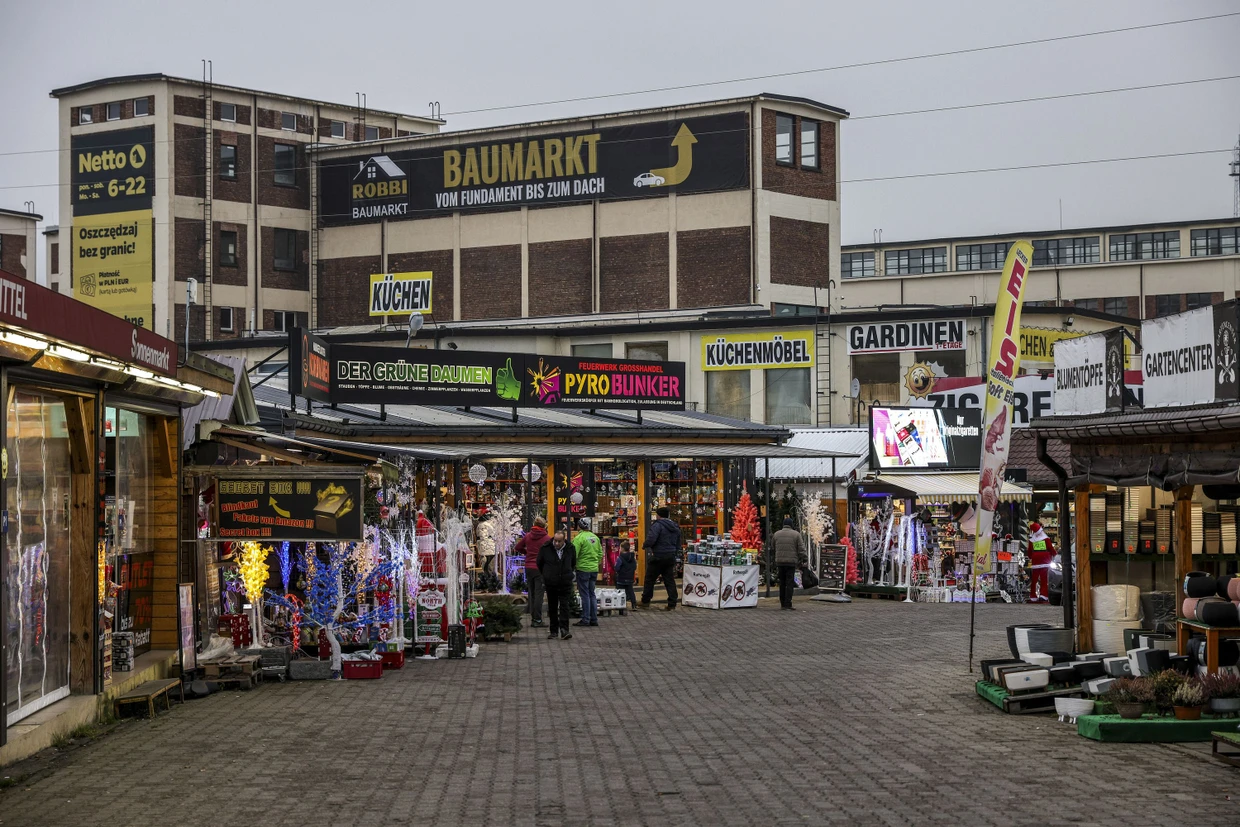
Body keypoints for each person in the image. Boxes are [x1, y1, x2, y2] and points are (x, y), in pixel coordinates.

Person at [536, 530, 576, 640]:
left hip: (565, 582)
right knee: (552, 606)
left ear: (564, 540)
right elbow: (539, 562)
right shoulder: (546, 548)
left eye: (559, 541)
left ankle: (564, 630)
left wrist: (568, 573)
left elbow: (573, 562)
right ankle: (553, 631)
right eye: (555, 541)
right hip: (551, 582)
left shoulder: (570, 548)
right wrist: (546, 575)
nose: (557, 543)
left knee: (564, 606)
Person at [640, 506, 681, 610]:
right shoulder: (675, 526)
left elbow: (651, 538)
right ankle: (672, 602)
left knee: (650, 578)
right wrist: (675, 552)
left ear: (658, 515)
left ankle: (645, 600)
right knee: (669, 579)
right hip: (670, 555)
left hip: (658, 555)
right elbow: (678, 542)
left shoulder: (657, 525)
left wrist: (645, 545)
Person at [515, 516, 549, 626]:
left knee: (531, 592)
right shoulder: (547, 538)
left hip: (529, 567)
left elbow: (518, 547)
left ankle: (533, 617)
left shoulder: (528, 536)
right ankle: (537, 619)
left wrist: (527, 553)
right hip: (540, 568)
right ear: (544, 526)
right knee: (539, 594)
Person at [771, 517, 807, 610]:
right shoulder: (796, 534)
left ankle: (782, 603)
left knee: (782, 583)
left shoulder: (776, 534)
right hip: (791, 562)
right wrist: (804, 558)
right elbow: (801, 549)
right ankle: (788, 603)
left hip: (780, 562)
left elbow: (773, 547)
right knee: (789, 583)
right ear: (791, 525)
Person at [573, 518, 602, 627]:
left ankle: (586, 619)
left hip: (583, 569)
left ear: (579, 526)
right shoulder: (595, 538)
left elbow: (574, 554)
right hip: (593, 569)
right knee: (592, 594)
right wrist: (595, 563)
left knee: (584, 594)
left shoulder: (579, 538)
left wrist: (573, 565)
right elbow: (600, 553)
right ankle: (594, 619)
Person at [1027, 521, 1055, 603]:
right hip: (1045, 559)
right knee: (1044, 578)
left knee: (1034, 578)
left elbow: (1029, 551)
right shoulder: (1045, 538)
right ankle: (1043, 595)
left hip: (1036, 559)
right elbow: (1050, 548)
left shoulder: (1032, 539)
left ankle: (1033, 595)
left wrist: (1031, 557)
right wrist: (1055, 554)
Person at [614, 540, 638, 610]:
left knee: (620, 591)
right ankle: (634, 604)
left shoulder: (620, 558)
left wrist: (618, 571)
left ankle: (621, 605)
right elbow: (635, 567)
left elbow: (617, 567)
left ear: (622, 549)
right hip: (630, 577)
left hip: (621, 577)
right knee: (631, 591)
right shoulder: (632, 558)